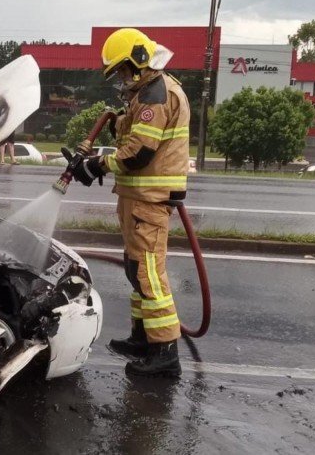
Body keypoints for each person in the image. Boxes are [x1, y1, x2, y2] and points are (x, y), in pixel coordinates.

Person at [67, 28, 190, 378]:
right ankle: (142, 339)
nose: (121, 78)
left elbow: (139, 152)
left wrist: (98, 163)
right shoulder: (146, 94)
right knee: (136, 270)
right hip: (137, 197)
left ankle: (165, 352)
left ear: (137, 61)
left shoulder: (156, 94)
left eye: (122, 70)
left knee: (149, 274)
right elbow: (136, 134)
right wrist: (119, 121)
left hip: (149, 200)